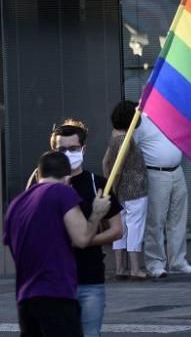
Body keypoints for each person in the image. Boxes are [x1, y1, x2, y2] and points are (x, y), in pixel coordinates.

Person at [5, 151, 112, 337]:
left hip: (26, 298)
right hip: (56, 293)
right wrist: (97, 214)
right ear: (68, 178)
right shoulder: (62, 192)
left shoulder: (16, 203)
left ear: (38, 175)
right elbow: (81, 239)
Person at [45, 120, 123, 337]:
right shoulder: (42, 183)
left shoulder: (98, 184)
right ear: (54, 151)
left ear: (83, 149)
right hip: (53, 280)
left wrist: (84, 240)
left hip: (89, 278)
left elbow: (117, 230)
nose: (68, 153)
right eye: (62, 149)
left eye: (73, 149)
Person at [133, 112, 191, 279]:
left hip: (177, 171)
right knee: (156, 221)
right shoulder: (140, 121)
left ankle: (178, 261)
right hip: (155, 174)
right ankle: (155, 264)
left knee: (178, 219)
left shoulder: (171, 115)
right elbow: (131, 149)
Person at [101, 100, 149, 281]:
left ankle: (120, 268)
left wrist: (111, 187)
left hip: (120, 192)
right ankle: (136, 269)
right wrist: (113, 187)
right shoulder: (126, 140)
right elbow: (118, 167)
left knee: (121, 228)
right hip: (135, 191)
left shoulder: (114, 138)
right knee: (135, 227)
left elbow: (106, 162)